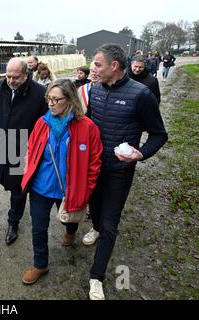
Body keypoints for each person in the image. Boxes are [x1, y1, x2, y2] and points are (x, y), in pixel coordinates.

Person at [85, 44, 168, 300]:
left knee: (111, 223)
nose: (93, 69)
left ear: (114, 66)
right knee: (95, 211)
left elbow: (159, 134)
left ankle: (96, 277)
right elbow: (87, 122)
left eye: (97, 64)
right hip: (94, 167)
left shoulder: (141, 95)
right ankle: (95, 228)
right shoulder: (96, 90)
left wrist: (140, 153)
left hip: (120, 171)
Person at [20, 79, 102, 284]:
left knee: (69, 218)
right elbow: (31, 150)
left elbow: (94, 162)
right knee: (38, 227)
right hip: (41, 187)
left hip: (70, 189)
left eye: (56, 99)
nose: (51, 103)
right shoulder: (41, 123)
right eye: (49, 98)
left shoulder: (87, 127)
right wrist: (27, 167)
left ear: (70, 99)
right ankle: (40, 264)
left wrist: (87, 189)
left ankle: (71, 231)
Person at [0, 57, 47, 246]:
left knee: (19, 189)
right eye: (8, 76)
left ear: (26, 75)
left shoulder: (39, 93)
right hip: (2, 145)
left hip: (24, 150)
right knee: (5, 178)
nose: (11, 81)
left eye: (16, 77)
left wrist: (33, 147)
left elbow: (43, 124)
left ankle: (14, 222)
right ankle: (14, 201)